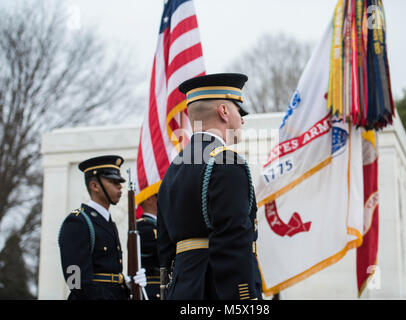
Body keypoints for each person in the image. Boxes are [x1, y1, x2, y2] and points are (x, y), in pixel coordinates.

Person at [157, 73, 262, 300]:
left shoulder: (173, 170)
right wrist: (245, 298)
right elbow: (233, 241)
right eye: (238, 111)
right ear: (224, 111)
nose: (242, 120)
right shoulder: (227, 162)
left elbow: (165, 250)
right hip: (217, 292)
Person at [58, 155, 146, 300]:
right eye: (113, 182)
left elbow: (110, 273)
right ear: (94, 186)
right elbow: (76, 281)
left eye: (120, 182)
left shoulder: (107, 222)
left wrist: (127, 285)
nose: (120, 186)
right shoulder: (78, 221)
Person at [137, 194, 160, 300]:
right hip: (152, 286)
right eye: (158, 195)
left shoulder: (158, 225)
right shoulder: (144, 226)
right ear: (148, 199)